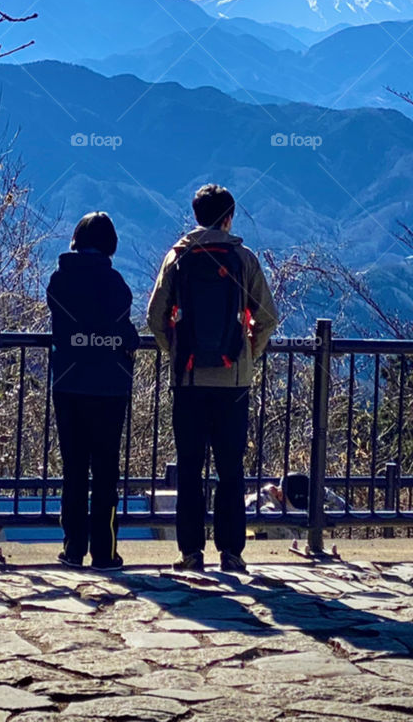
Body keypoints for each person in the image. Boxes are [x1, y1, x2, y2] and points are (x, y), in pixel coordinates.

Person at [147, 184, 277, 574]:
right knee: (230, 468)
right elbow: (267, 316)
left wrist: (177, 354)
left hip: (188, 381)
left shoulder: (178, 256)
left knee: (189, 467)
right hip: (233, 383)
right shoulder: (242, 258)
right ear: (229, 217)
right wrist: (246, 356)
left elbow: (155, 316)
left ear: (197, 216)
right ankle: (232, 553)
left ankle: (190, 553)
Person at [47, 211, 139, 571]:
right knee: (105, 470)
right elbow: (123, 331)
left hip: (68, 384)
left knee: (73, 468)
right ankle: (105, 551)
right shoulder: (116, 284)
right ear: (110, 245)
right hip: (109, 387)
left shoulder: (59, 279)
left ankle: (72, 548)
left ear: (76, 241)